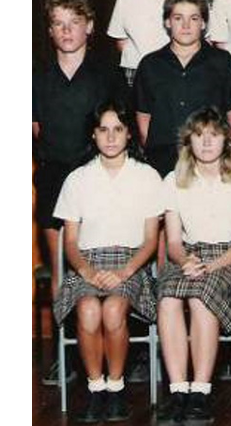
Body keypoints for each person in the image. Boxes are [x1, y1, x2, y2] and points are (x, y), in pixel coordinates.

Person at [51, 101, 161, 423]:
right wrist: (86, 270)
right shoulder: (78, 178)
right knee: (87, 309)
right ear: (94, 135)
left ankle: (116, 388)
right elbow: (69, 241)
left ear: (129, 134)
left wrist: (125, 271)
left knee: (113, 309)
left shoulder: (147, 176)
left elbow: (151, 239)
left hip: (131, 262)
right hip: (87, 262)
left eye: (118, 129)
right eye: (103, 130)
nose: (110, 137)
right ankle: (95, 388)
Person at [156, 107, 231, 424]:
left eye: (214, 135)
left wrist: (210, 265)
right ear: (188, 140)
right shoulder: (174, 180)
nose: (206, 143)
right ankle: (178, 390)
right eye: (199, 135)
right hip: (189, 258)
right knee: (168, 296)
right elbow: (173, 241)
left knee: (201, 296)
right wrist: (187, 260)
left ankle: (200, 391)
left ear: (226, 140)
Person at [34, 0, 129, 302]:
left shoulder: (108, 75)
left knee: (102, 273)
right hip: (55, 177)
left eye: (73, 22)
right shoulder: (37, 77)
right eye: (58, 24)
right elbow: (36, 130)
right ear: (49, 31)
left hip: (98, 179)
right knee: (63, 273)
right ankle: (66, 333)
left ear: (88, 26)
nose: (66, 30)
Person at [133, 0, 231, 176]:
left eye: (194, 18)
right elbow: (143, 118)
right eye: (178, 18)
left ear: (204, 23)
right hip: (162, 160)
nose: (186, 25)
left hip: (211, 160)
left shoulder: (222, 62)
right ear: (167, 22)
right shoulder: (150, 65)